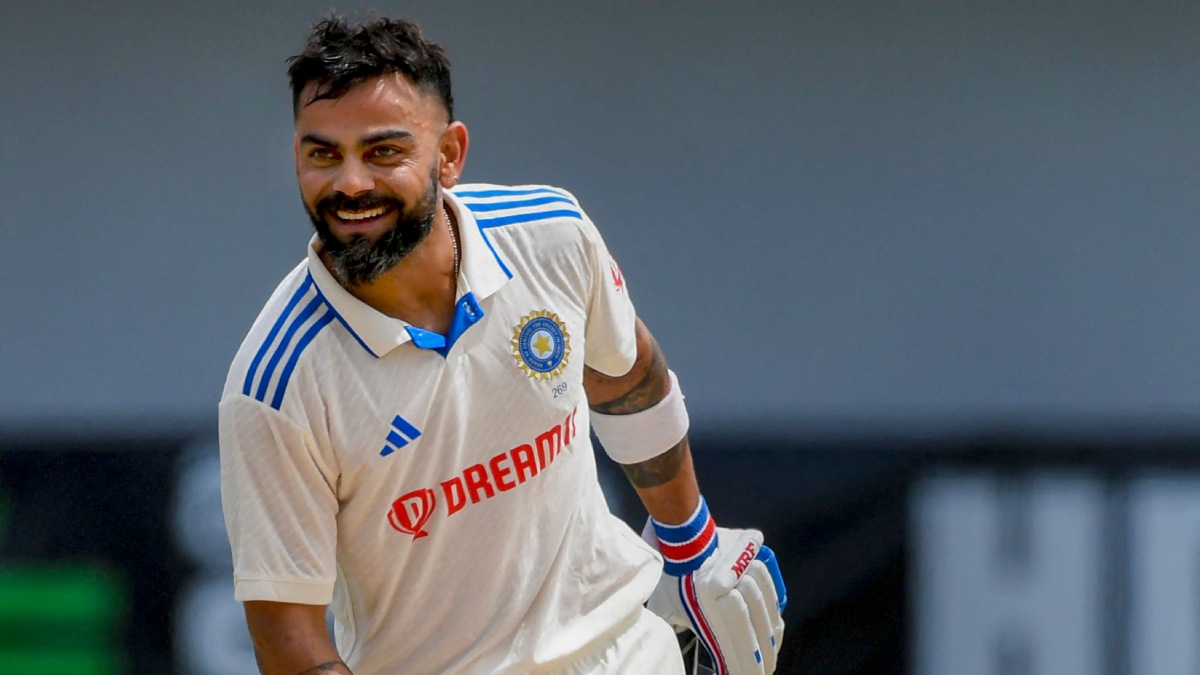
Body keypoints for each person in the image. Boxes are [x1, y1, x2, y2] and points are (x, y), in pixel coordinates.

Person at [219, 14, 786, 675]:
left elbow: (626, 376)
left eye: (383, 152)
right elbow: (288, 640)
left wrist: (691, 546)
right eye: (324, 155)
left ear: (449, 155)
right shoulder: (273, 386)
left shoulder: (551, 235)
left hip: (628, 650)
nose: (350, 184)